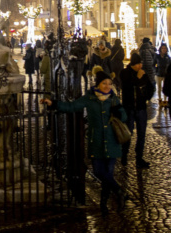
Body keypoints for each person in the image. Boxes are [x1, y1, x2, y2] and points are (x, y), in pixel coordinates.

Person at [42, 66, 128, 214]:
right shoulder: (89, 98)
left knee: (108, 174)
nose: (107, 86)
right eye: (104, 83)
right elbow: (72, 106)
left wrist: (119, 111)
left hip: (112, 142)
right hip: (96, 142)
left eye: (109, 83)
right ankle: (119, 191)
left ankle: (103, 203)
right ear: (97, 84)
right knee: (100, 172)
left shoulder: (114, 99)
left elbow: (124, 117)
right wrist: (54, 104)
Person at [120, 52, 154, 170]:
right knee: (128, 134)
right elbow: (127, 86)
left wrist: (146, 97)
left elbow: (150, 87)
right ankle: (124, 155)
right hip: (129, 108)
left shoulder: (143, 74)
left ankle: (139, 158)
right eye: (138, 64)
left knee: (142, 135)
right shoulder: (125, 73)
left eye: (141, 63)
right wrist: (137, 78)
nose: (140, 66)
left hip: (140, 108)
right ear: (133, 64)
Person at [154, 43, 171, 107]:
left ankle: (165, 100)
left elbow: (170, 66)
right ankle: (160, 99)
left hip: (165, 74)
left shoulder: (168, 57)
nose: (164, 49)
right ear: (160, 49)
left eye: (165, 48)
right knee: (159, 87)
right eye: (162, 48)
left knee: (165, 87)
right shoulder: (157, 56)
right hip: (158, 74)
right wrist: (156, 70)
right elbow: (153, 64)